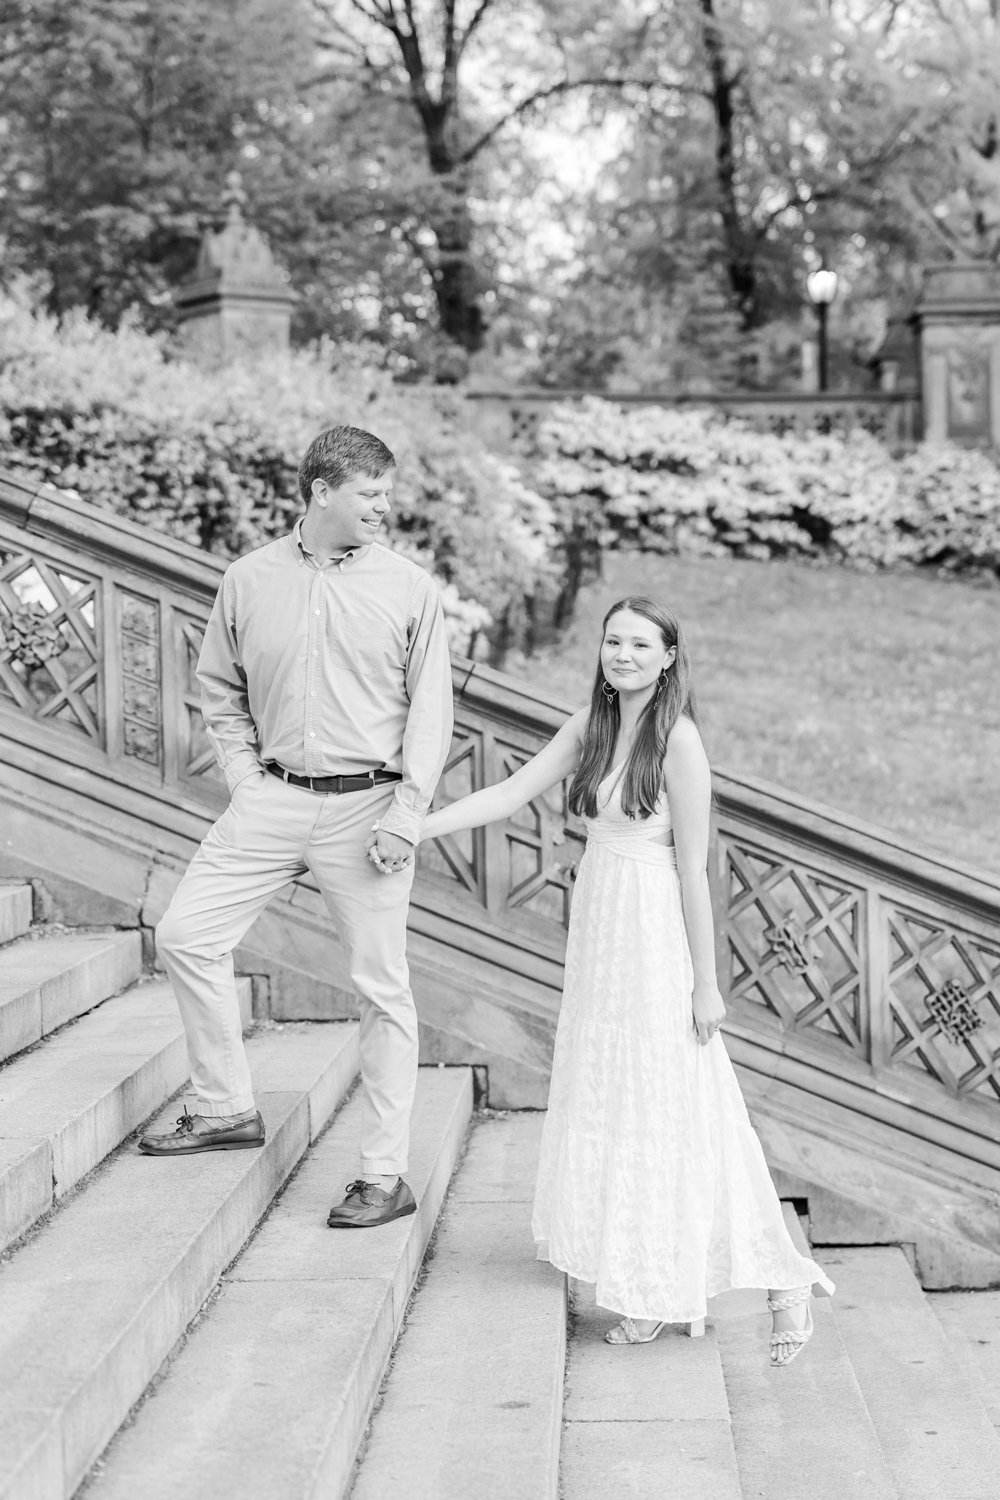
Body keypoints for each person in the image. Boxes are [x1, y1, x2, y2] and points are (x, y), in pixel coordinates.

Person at [393, 596, 833, 1363]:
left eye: (639, 644)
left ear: (668, 657)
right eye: (612, 641)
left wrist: (706, 983)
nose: (622, 654)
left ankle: (779, 1278)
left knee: (676, 1099)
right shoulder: (592, 726)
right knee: (617, 1093)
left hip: (655, 928)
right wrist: (416, 825)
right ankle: (647, 1281)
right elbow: (509, 793)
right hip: (601, 929)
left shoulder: (680, 741)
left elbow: (694, 871)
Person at [139, 425, 454, 1232]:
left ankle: (385, 1176)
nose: (385, 506)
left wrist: (407, 813)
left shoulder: (409, 587)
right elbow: (219, 689)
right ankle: (222, 1107)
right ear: (321, 492)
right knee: (184, 932)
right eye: (370, 494)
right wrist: (247, 781)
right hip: (273, 798)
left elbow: (431, 712)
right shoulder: (248, 580)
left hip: (370, 808)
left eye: (387, 492)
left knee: (383, 991)